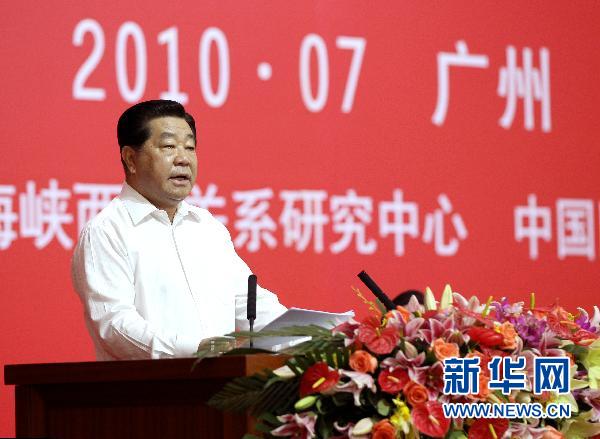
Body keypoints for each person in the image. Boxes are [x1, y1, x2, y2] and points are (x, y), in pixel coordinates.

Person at [71, 100, 286, 360]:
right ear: (130, 159)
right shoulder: (107, 231)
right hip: (156, 384)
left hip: (223, 382)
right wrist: (199, 350)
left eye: (190, 147)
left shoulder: (207, 227)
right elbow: (115, 326)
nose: (183, 159)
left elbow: (248, 302)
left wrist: (307, 336)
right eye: (169, 147)